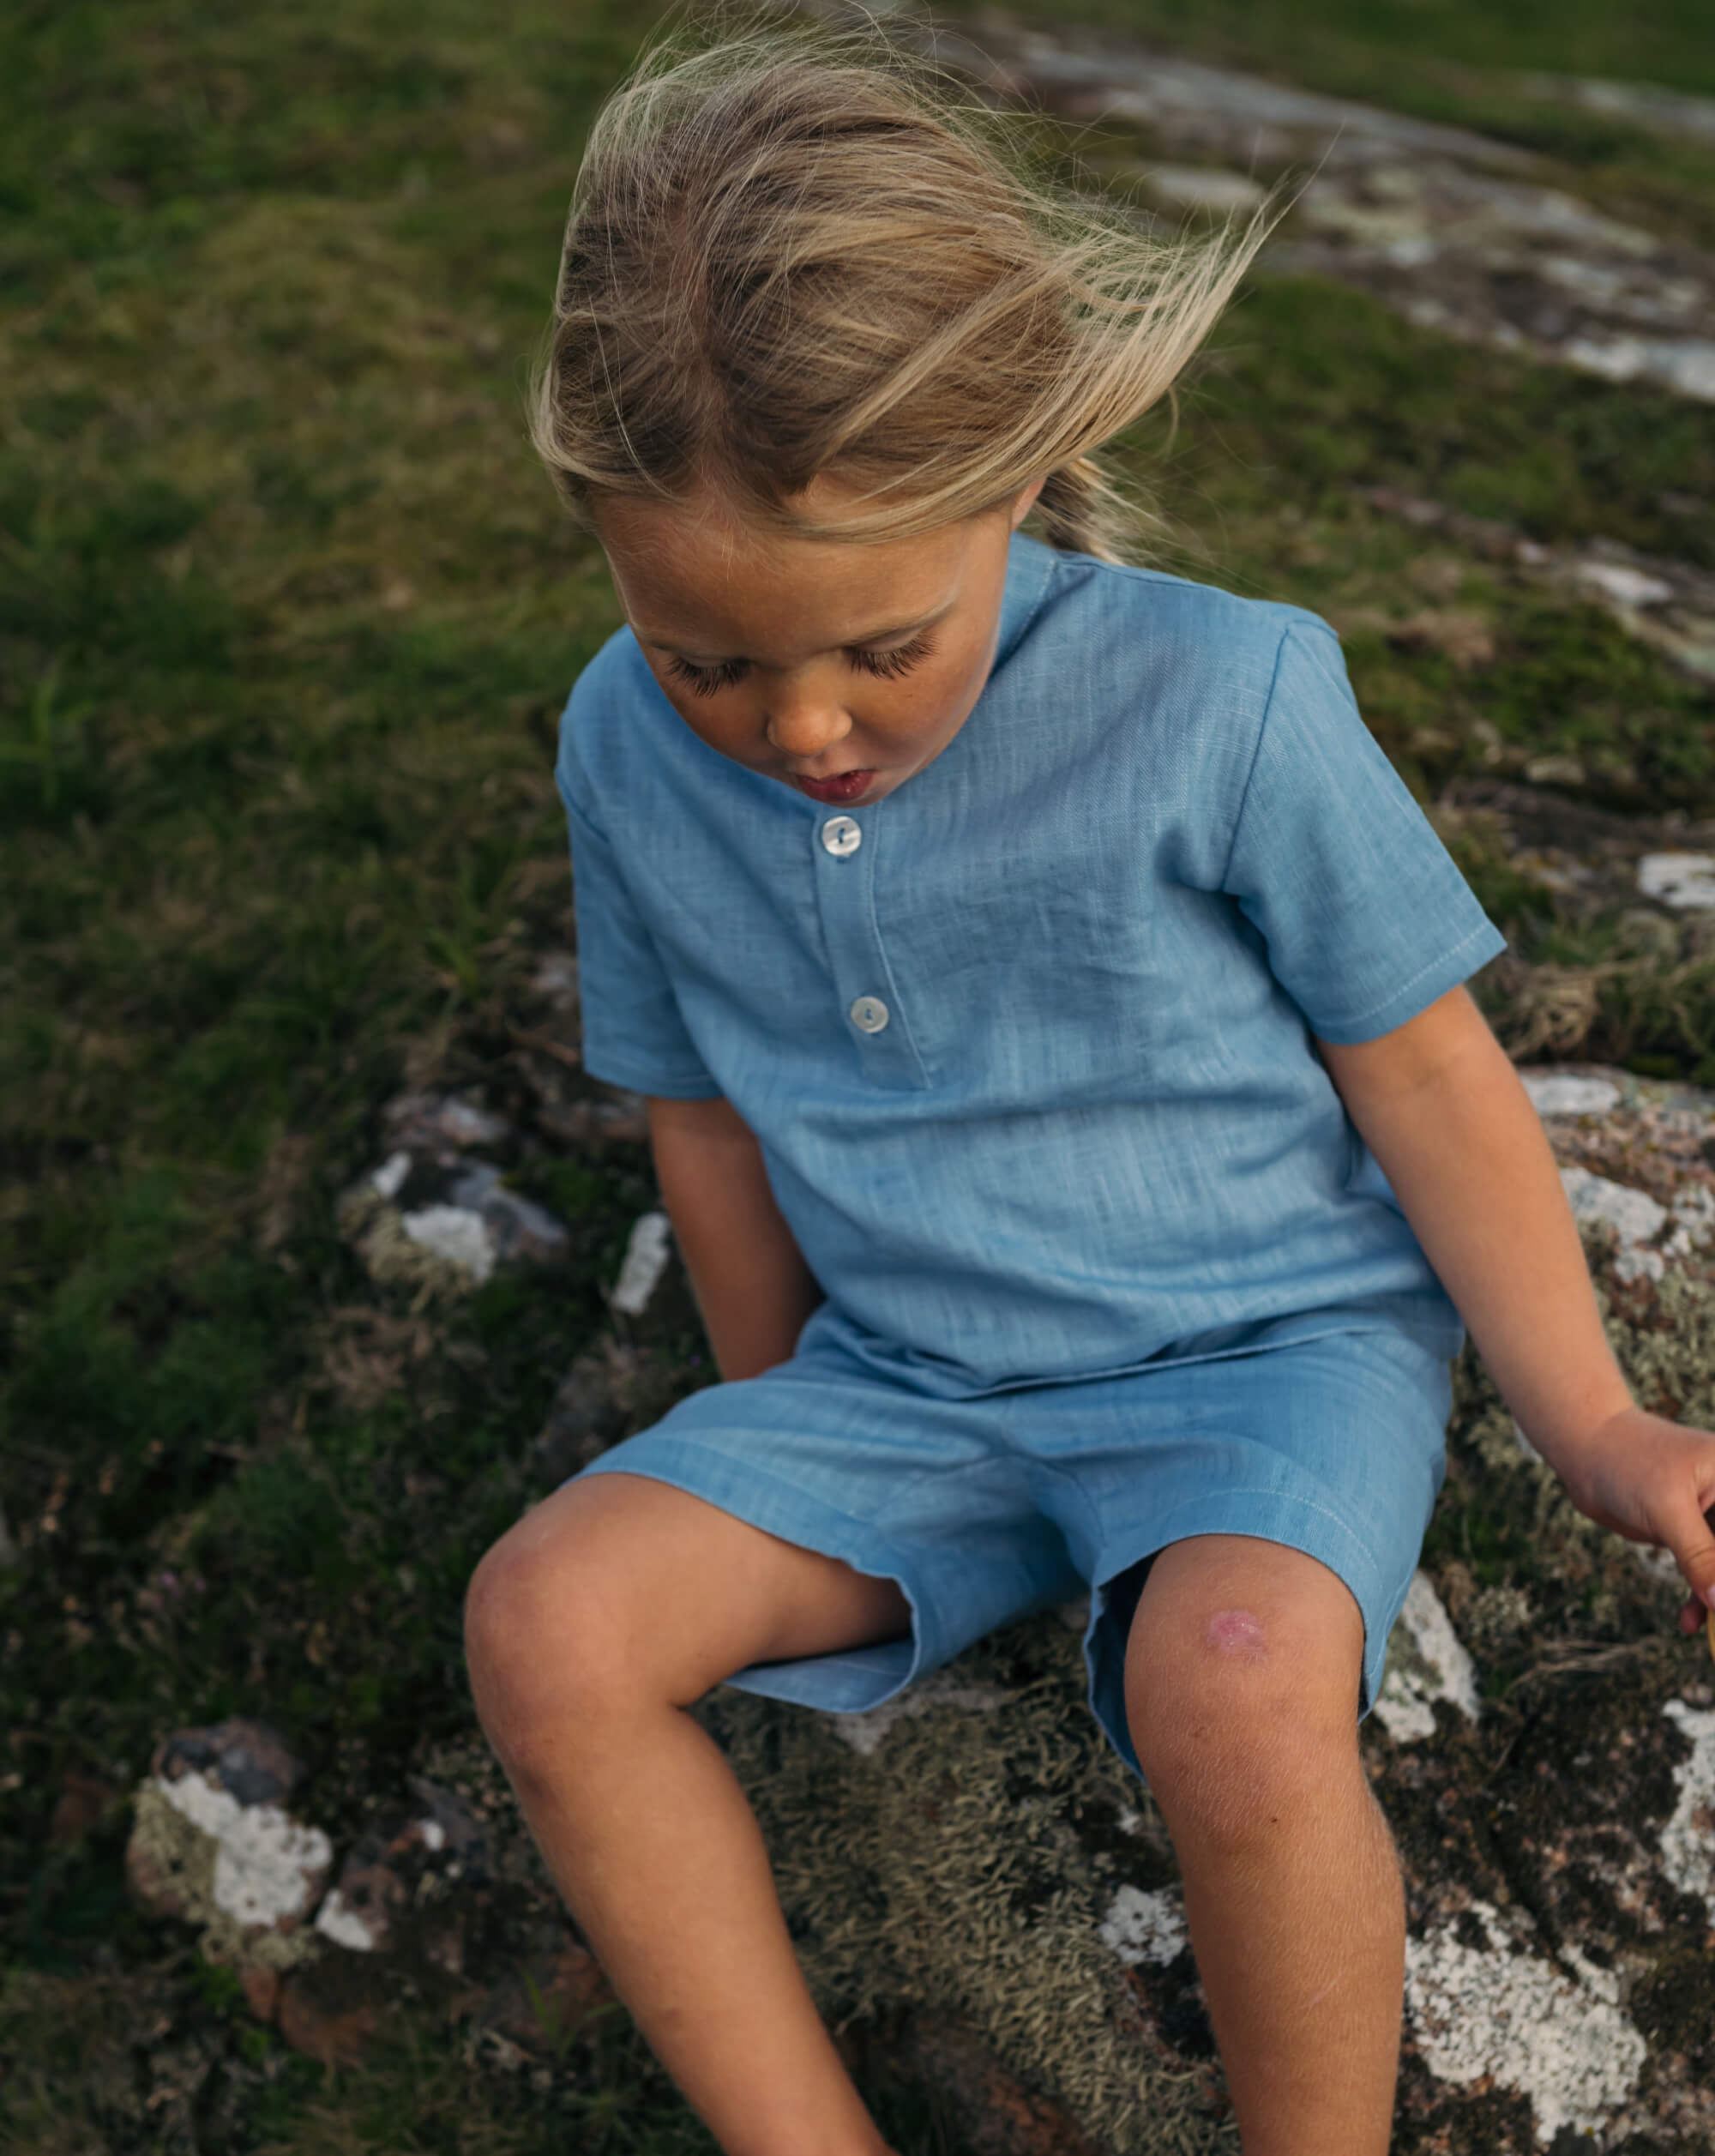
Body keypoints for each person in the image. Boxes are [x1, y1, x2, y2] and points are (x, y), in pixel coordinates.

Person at [463, 20, 1715, 2156]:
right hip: (907, 1388)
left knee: (1229, 1691)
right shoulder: (615, 741)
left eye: (880, 643)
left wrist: (1587, 1416)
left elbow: (1419, 1068)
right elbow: (700, 1108)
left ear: (1021, 473)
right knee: (549, 1625)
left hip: (1256, 1357)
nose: (802, 728)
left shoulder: (1227, 696)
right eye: (713, 656)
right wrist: (773, 1426)